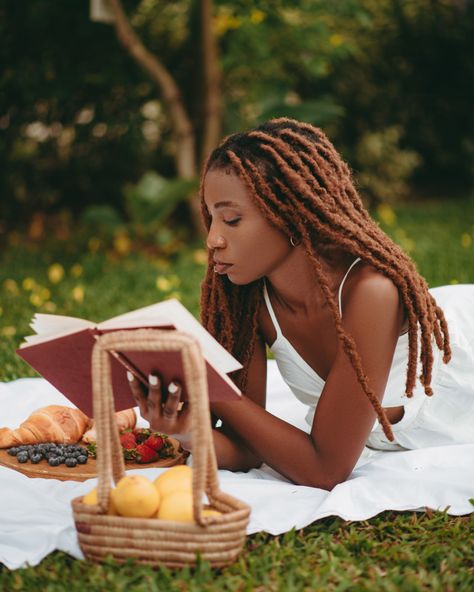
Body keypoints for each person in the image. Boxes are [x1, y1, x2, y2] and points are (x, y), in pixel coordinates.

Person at [129, 118, 474, 490]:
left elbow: (325, 470)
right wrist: (185, 431)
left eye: (231, 219)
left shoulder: (372, 292)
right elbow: (246, 448)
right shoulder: (249, 300)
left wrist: (212, 387)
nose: (213, 239)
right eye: (211, 218)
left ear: (291, 215)